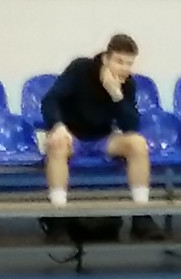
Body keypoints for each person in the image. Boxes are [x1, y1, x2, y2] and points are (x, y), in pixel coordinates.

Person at [41, 33, 159, 239]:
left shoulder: (127, 84)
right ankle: (58, 218)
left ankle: (141, 216)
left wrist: (116, 95)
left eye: (129, 64)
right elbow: (50, 100)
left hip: (103, 138)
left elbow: (131, 126)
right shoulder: (80, 69)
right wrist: (58, 126)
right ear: (106, 58)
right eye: (119, 61)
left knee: (137, 143)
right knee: (57, 144)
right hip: (71, 136)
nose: (124, 68)